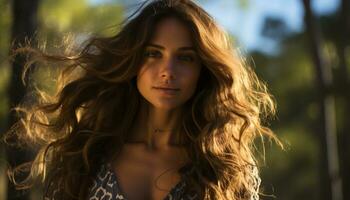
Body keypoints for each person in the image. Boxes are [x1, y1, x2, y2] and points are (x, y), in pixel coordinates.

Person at [5, 0, 282, 199]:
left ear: (203, 70)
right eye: (153, 53)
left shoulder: (226, 170)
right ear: (134, 60)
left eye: (185, 58)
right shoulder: (85, 155)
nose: (167, 72)